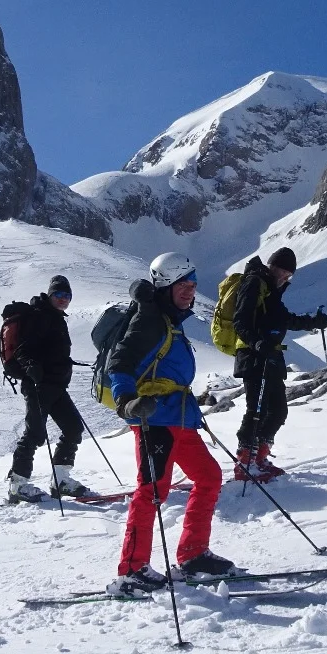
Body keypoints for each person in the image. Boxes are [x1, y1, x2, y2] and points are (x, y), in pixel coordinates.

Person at [105, 252, 234, 596]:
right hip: (154, 420)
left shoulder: (168, 319)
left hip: (179, 419)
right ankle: (132, 570)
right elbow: (119, 363)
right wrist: (126, 400)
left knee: (209, 476)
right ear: (165, 284)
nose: (190, 291)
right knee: (151, 492)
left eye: (193, 285)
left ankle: (193, 555)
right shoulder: (148, 319)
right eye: (183, 285)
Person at [230, 247, 327, 481]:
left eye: (288, 274)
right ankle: (245, 464)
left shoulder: (271, 290)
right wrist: (256, 344)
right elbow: (240, 322)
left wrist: (314, 322)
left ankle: (258, 459)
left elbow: (284, 320)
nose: (285, 276)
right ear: (272, 265)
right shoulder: (255, 283)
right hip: (254, 357)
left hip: (270, 357)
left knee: (277, 411)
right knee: (257, 410)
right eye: (282, 270)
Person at [5, 274, 93, 503]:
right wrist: (31, 367)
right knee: (34, 433)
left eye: (67, 295)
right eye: (59, 295)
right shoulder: (40, 317)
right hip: (38, 385)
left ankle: (60, 479)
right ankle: (17, 484)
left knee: (73, 428)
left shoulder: (55, 317)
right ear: (51, 295)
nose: (63, 299)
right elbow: (23, 350)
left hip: (56, 386)